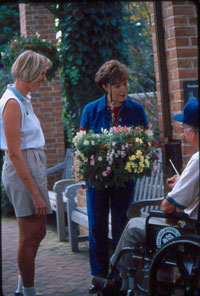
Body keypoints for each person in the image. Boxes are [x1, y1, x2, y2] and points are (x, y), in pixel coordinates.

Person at [109, 97, 199, 291]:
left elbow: (167, 206)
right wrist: (183, 180)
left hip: (191, 228)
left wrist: (177, 189)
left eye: (184, 128)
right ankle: (160, 278)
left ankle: (118, 278)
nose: (183, 132)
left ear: (192, 132)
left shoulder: (197, 160)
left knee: (134, 225)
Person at [79, 59, 149, 293]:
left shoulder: (136, 110)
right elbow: (82, 147)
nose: (124, 89)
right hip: (96, 181)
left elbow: (145, 143)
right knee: (97, 226)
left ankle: (119, 275)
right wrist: (84, 172)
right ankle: (98, 276)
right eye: (118, 85)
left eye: (125, 84)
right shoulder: (90, 111)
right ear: (105, 87)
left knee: (121, 226)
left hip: (123, 180)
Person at [0, 50, 53, 296]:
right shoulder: (12, 103)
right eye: (42, 73)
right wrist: (36, 194)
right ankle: (28, 292)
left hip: (31, 165)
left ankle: (23, 288)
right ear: (30, 72)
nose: (44, 78)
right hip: (23, 169)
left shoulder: (22, 99)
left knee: (39, 230)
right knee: (29, 234)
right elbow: (14, 154)